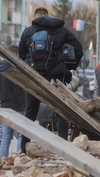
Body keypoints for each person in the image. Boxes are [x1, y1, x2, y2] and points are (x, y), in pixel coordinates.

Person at [18, 7, 83, 154]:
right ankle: (62, 147)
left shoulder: (28, 31)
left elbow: (20, 55)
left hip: (34, 77)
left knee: (30, 112)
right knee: (61, 111)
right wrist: (69, 66)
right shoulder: (61, 30)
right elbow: (78, 49)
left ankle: (23, 148)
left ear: (36, 17)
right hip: (57, 77)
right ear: (48, 17)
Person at [0, 45, 25, 158]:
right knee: (21, 135)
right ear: (14, 54)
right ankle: (19, 158)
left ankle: (3, 159)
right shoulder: (13, 71)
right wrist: (24, 105)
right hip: (17, 108)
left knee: (5, 137)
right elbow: (18, 90)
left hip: (4, 108)